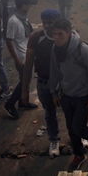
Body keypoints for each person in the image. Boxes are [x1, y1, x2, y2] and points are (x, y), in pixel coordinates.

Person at [49, 19, 88, 171]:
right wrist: (53, 92)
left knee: (78, 127)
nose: (57, 38)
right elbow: (54, 71)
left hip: (83, 96)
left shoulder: (83, 49)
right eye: (54, 34)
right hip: (66, 94)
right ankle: (79, 155)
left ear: (69, 33)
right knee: (70, 127)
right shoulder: (56, 49)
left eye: (60, 34)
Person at [21, 9, 63, 157]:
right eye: (44, 22)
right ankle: (54, 140)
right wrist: (24, 90)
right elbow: (28, 64)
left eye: (50, 22)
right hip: (44, 82)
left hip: (63, 84)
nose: (46, 25)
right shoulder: (35, 38)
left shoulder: (64, 38)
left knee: (71, 112)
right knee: (50, 113)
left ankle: (78, 135)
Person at [3, 0, 38, 119]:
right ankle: (10, 104)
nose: (29, 7)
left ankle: (23, 103)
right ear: (23, 6)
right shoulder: (13, 21)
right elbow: (9, 40)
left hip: (26, 54)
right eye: (28, 5)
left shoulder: (23, 18)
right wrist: (16, 59)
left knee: (26, 81)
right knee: (24, 81)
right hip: (21, 57)